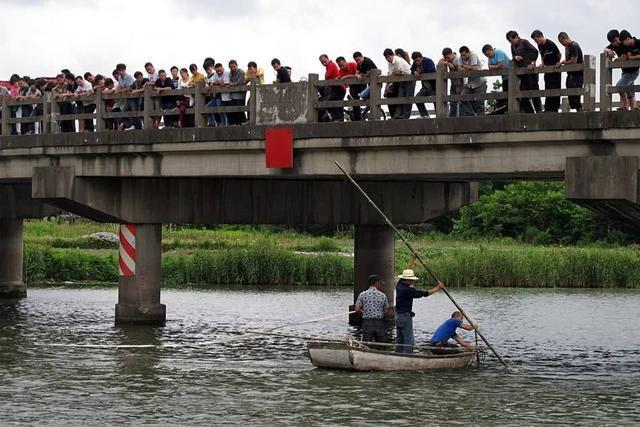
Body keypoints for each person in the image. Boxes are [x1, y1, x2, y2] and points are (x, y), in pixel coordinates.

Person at [395, 269, 445, 353]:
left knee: (400, 339)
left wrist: (412, 260)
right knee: (409, 340)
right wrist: (438, 288)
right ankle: (408, 356)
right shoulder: (407, 290)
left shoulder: (398, 285)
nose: (412, 282)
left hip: (398, 316)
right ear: (406, 280)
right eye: (411, 280)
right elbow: (424, 294)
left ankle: (398, 354)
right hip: (405, 316)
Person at [506, 30, 542, 113]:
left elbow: (535, 51)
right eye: (509, 41)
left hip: (530, 70)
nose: (511, 42)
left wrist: (532, 63)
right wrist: (515, 58)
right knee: (522, 94)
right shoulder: (512, 46)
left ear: (516, 37)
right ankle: (530, 112)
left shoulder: (524, 42)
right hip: (522, 72)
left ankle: (539, 111)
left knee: (534, 91)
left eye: (511, 40)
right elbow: (513, 56)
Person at [531, 30, 562, 113]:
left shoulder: (550, 43)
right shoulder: (539, 46)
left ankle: (554, 108)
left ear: (540, 36)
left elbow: (559, 54)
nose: (536, 42)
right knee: (547, 87)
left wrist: (558, 62)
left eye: (536, 40)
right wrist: (542, 63)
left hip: (554, 69)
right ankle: (548, 108)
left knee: (555, 87)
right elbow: (542, 55)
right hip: (547, 69)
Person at [354, 274, 390, 343]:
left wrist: (363, 312)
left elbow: (357, 309)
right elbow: (386, 310)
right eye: (379, 283)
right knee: (381, 343)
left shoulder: (362, 294)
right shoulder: (382, 295)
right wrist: (380, 313)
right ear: (376, 283)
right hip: (379, 322)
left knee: (366, 342)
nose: (380, 284)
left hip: (367, 322)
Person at [557, 32, 583, 112]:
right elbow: (568, 59)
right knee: (569, 90)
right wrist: (561, 62)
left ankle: (579, 111)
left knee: (575, 94)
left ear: (565, 38)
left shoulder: (574, 46)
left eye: (562, 42)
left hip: (577, 73)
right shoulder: (567, 47)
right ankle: (576, 110)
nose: (562, 45)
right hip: (570, 73)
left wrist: (565, 63)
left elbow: (574, 61)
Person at [384, 48, 413, 119]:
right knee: (400, 97)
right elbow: (391, 73)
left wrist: (394, 73)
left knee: (407, 98)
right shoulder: (390, 63)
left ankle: (405, 116)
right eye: (386, 57)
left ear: (392, 55)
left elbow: (399, 72)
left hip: (408, 80)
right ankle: (398, 115)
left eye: (388, 57)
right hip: (400, 81)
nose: (387, 59)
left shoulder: (398, 60)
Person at [459, 46, 487, 116]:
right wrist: (469, 68)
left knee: (479, 102)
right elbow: (459, 69)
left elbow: (474, 68)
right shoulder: (461, 57)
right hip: (470, 83)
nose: (463, 57)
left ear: (468, 52)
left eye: (464, 55)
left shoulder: (473, 55)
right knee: (462, 97)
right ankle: (471, 114)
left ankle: (481, 119)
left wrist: (464, 66)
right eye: (461, 55)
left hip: (480, 82)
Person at [482, 44, 510, 114]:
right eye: (486, 55)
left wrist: (494, 66)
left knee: (510, 95)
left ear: (491, 49)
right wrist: (496, 66)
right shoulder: (490, 57)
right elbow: (489, 67)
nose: (488, 56)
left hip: (511, 76)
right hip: (504, 77)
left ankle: (509, 110)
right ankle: (505, 110)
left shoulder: (498, 52)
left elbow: (501, 65)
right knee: (505, 94)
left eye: (488, 54)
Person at [336, 56, 365, 121]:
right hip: (352, 87)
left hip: (361, 84)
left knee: (359, 98)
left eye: (342, 65)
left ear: (345, 62)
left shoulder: (353, 65)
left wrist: (346, 76)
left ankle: (361, 115)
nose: (341, 67)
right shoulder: (340, 71)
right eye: (340, 66)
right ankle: (358, 118)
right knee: (354, 101)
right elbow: (344, 83)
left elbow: (358, 75)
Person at [618, 30, 640, 111]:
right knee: (629, 90)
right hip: (627, 71)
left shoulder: (638, 42)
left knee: (620, 86)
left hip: (634, 71)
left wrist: (634, 57)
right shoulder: (627, 47)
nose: (623, 44)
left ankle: (626, 106)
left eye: (623, 42)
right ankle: (633, 108)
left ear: (627, 39)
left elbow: (631, 57)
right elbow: (628, 57)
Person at [319, 54, 345, 121]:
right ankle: (338, 118)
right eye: (322, 63)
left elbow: (327, 77)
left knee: (329, 102)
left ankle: (337, 118)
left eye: (324, 61)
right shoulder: (328, 66)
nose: (324, 63)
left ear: (328, 59)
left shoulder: (331, 65)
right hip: (335, 88)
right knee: (336, 103)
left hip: (338, 87)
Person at [439, 48, 463, 117]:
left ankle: (461, 118)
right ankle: (452, 118)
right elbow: (439, 62)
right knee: (452, 102)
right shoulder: (448, 60)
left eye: (447, 57)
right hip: (454, 84)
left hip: (461, 83)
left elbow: (462, 75)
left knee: (461, 102)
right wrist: (448, 63)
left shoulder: (458, 59)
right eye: (445, 57)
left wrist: (462, 87)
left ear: (451, 54)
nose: (446, 59)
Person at [411, 51, 436, 118]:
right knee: (417, 99)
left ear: (421, 58)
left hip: (434, 86)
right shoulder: (415, 63)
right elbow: (411, 69)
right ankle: (424, 115)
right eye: (415, 61)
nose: (417, 62)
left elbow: (431, 70)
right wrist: (414, 72)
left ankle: (439, 116)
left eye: (418, 60)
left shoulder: (428, 61)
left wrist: (421, 72)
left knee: (436, 101)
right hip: (425, 87)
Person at [206, 63, 230, 127]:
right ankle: (212, 122)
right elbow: (212, 83)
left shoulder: (226, 73)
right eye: (217, 71)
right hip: (217, 95)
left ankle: (224, 125)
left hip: (225, 96)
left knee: (220, 109)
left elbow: (225, 83)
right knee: (207, 107)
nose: (219, 72)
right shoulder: (215, 74)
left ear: (223, 68)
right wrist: (217, 83)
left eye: (220, 71)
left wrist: (217, 83)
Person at [228, 60, 247, 124]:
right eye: (231, 67)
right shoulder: (230, 72)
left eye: (234, 67)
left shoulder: (241, 72)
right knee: (233, 110)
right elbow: (229, 81)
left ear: (237, 65)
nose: (233, 68)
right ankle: (235, 124)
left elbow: (239, 83)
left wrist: (230, 84)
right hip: (233, 95)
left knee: (240, 110)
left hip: (240, 94)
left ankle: (242, 123)